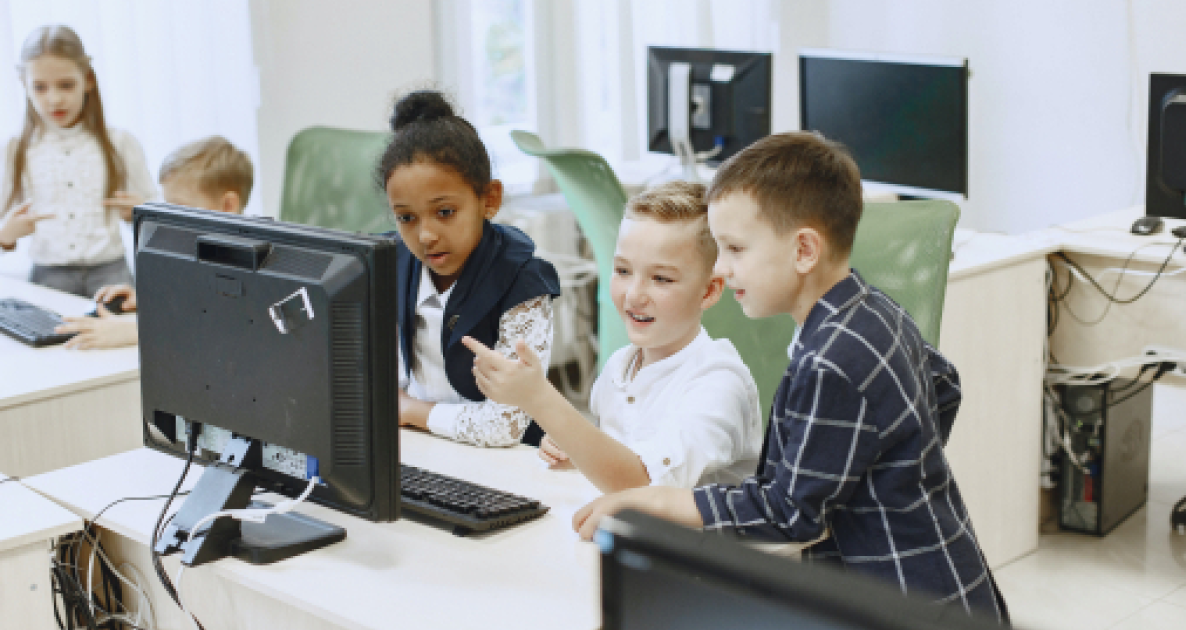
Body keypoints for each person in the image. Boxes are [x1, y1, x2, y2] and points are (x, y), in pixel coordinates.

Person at [572, 132, 1008, 622]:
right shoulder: (874, 309)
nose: (721, 266)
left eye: (735, 249)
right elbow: (944, 384)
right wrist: (897, 469)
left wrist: (657, 500)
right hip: (951, 574)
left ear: (804, 251)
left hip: (902, 600)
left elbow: (787, 516)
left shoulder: (827, 363)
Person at [464, 180, 760, 493]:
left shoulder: (718, 386)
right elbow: (619, 462)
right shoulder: (621, 365)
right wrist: (576, 451)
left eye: (661, 278)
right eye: (622, 270)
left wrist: (539, 398)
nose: (634, 295)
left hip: (695, 541)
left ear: (710, 290)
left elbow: (641, 486)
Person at [380, 90, 559, 447]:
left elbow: (504, 425)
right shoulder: (386, 261)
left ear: (489, 199)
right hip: (418, 446)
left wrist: (411, 411)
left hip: (508, 460)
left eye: (444, 212)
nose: (426, 235)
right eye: (406, 218)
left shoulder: (523, 280)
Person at [0, 25, 156, 297]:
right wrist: (6, 235)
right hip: (48, 277)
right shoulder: (17, 149)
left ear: (88, 80)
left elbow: (158, 221)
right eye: (40, 87)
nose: (55, 99)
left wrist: (140, 213)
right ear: (24, 84)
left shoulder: (120, 142)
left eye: (66, 85)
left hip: (112, 275)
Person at [54, 136, 253, 349]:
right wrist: (147, 301)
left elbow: (222, 324)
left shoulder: (246, 260)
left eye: (180, 207)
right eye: (167, 206)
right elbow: (194, 304)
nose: (170, 218)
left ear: (228, 205)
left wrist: (135, 331)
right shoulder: (193, 248)